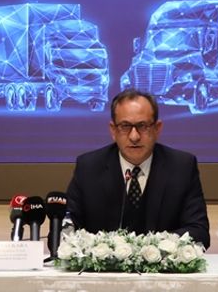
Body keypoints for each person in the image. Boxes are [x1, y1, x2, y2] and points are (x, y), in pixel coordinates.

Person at [65, 89, 210, 247]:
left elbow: (199, 231)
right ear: (113, 130)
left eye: (143, 126)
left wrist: (154, 248)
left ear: (157, 128)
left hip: (162, 262)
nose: (134, 136)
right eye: (125, 126)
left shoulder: (182, 167)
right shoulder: (89, 167)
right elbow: (66, 229)